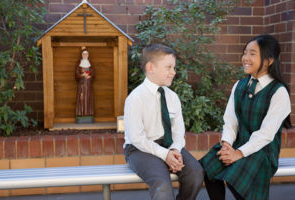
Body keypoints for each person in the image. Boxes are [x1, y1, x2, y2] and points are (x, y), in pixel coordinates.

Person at [200, 34, 292, 200]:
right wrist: (227, 145)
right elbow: (230, 121)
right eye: (245, 53)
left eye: (252, 54)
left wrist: (239, 153)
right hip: (237, 144)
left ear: (269, 60)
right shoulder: (240, 85)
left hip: (263, 152)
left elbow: (266, 134)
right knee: (207, 168)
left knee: (235, 178)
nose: (245, 58)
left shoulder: (279, 92)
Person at [123, 44, 204, 200]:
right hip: (140, 149)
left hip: (168, 146)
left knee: (195, 173)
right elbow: (137, 138)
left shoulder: (172, 97)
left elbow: (178, 131)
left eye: (174, 67)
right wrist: (165, 154)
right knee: (162, 185)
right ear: (151, 67)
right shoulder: (135, 98)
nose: (173, 72)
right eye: (168, 67)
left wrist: (174, 150)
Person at [75, 48, 94, 123]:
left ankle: (88, 112)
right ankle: (81, 113)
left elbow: (93, 72)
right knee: (81, 98)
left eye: (86, 54)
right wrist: (82, 75)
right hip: (82, 83)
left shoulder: (90, 63)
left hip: (88, 83)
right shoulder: (79, 64)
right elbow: (76, 73)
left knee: (88, 97)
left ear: (88, 55)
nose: (85, 55)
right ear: (81, 55)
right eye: (84, 54)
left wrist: (90, 76)